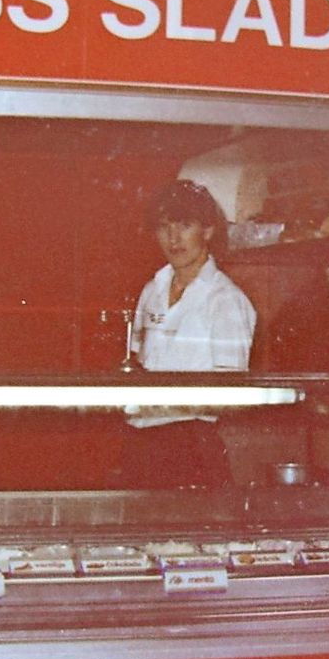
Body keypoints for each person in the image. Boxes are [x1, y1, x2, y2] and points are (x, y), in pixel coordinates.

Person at [121, 179, 257, 487]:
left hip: (189, 444)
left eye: (185, 226)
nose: (173, 238)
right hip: (139, 440)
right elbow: (136, 359)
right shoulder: (152, 290)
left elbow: (229, 393)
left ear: (207, 231)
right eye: (164, 227)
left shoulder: (226, 300)